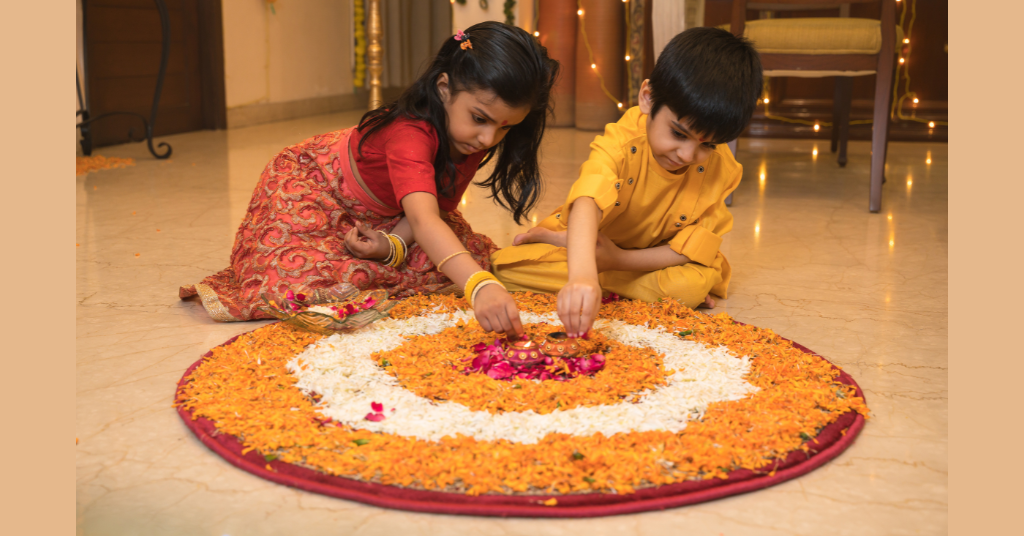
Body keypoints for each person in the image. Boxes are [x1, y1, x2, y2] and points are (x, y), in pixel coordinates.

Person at [180, 22, 558, 338]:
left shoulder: (470, 136)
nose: (489, 139)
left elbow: (433, 209)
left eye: (505, 127)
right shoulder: (410, 134)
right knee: (293, 284)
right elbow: (427, 221)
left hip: (392, 209)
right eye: (480, 118)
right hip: (317, 187)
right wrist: (479, 288)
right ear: (443, 89)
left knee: (464, 255)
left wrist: (393, 244)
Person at [490, 27, 762, 337]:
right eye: (678, 134)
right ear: (648, 98)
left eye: (707, 145)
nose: (688, 155)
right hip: (595, 246)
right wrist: (583, 276)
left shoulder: (722, 167)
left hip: (647, 258)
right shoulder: (622, 141)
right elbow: (587, 201)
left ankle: (593, 265)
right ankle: (585, 259)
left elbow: (692, 250)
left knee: (693, 281)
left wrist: (615, 259)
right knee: (504, 267)